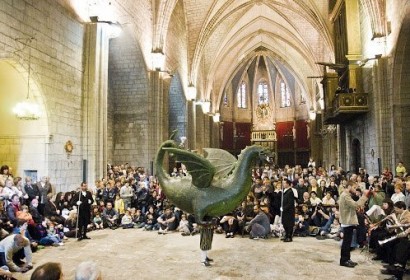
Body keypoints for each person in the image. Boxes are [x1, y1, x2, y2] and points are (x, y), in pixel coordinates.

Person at [339, 180, 369, 268]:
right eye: (354, 187)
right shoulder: (345, 195)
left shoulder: (346, 195)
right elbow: (356, 205)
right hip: (347, 220)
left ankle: (347, 259)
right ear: (349, 186)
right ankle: (344, 260)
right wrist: (364, 196)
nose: (355, 189)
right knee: (346, 242)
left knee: (348, 241)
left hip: (348, 220)